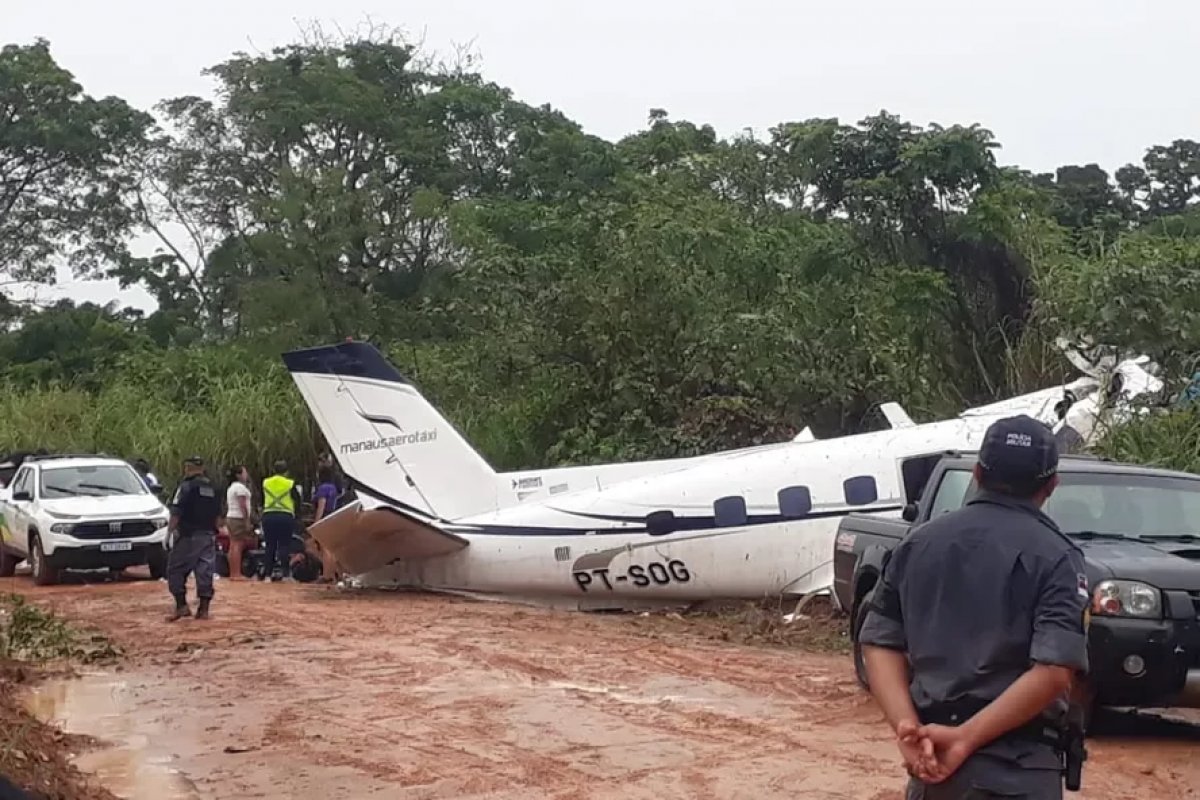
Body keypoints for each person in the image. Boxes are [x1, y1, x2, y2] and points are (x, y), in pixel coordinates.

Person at [859, 415, 1090, 799]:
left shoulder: (919, 543)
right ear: (1051, 485)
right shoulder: (1058, 557)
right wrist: (964, 738)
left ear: (978, 473)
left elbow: (879, 642)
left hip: (934, 769)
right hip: (1017, 773)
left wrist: (907, 728)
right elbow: (1053, 672)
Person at [166, 456, 222, 621]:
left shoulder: (186, 486)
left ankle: (181, 606)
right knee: (205, 570)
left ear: (187, 468)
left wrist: (169, 532)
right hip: (208, 535)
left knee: (175, 569)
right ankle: (203, 610)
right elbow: (219, 515)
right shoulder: (213, 487)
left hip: (188, 536)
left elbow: (176, 511)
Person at [261, 459, 302, 581]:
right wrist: (297, 515)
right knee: (284, 545)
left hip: (269, 515)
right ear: (286, 472)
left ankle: (267, 575)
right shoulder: (289, 483)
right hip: (285, 516)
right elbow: (297, 500)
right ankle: (285, 575)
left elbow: (262, 498)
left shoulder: (266, 482)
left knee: (270, 546)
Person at [223, 465, 256, 580]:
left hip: (231, 517)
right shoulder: (240, 488)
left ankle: (233, 572)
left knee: (233, 545)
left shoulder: (231, 487)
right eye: (244, 472)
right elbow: (242, 505)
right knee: (238, 545)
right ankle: (236, 573)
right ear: (238, 475)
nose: (246, 475)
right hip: (238, 518)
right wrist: (247, 520)